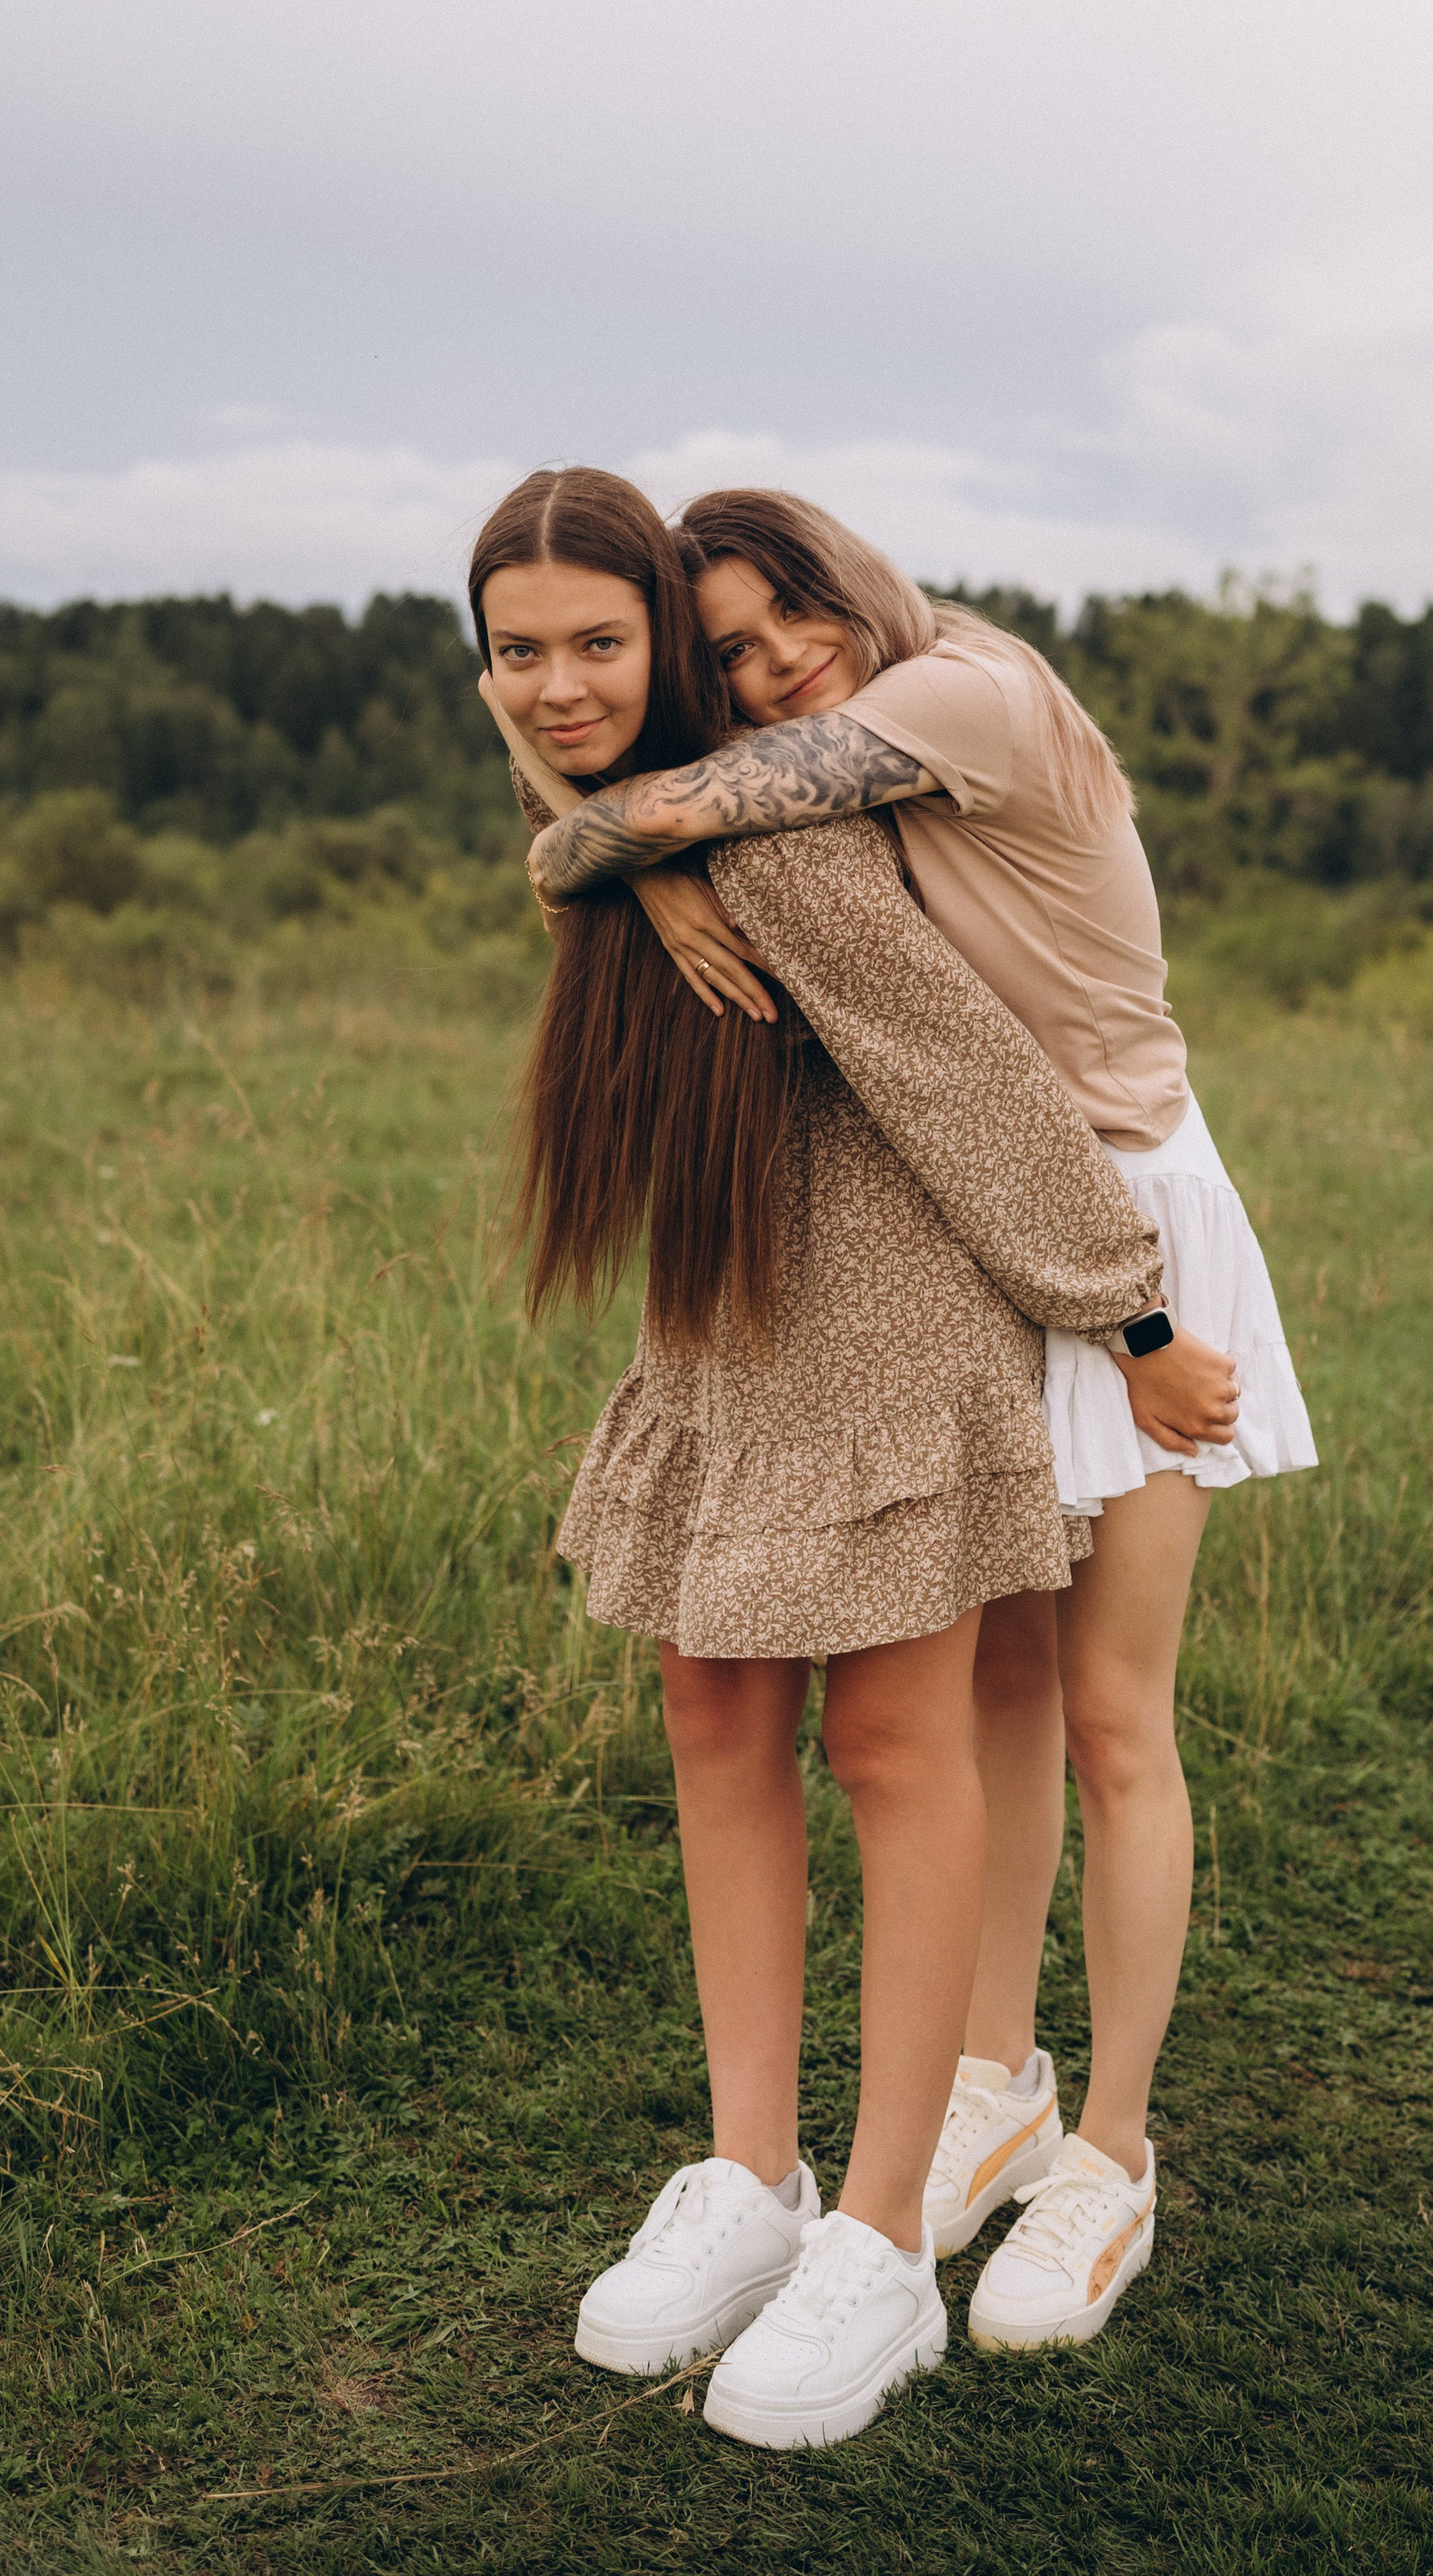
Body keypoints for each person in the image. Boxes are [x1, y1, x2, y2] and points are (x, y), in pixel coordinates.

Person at [523, 485, 1316, 2352]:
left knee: (1114, 1710)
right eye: (728, 647)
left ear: (855, 579)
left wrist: (609, 845)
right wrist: (617, 836)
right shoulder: (826, 752)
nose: (773, 659)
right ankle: (990, 2081)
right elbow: (620, 764)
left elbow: (624, 796)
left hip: (1120, 1218)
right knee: (999, 1693)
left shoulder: (961, 693)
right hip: (991, 1236)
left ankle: (1108, 2156)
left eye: (787, 609)